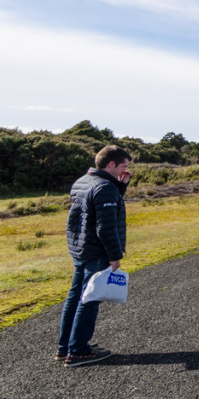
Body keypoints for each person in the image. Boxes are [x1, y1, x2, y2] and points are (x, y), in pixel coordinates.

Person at [56, 144, 132, 367]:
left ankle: (65, 347)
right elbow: (105, 227)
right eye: (123, 166)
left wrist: (120, 186)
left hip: (80, 248)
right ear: (111, 164)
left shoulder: (83, 181)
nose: (125, 171)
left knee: (74, 297)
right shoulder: (105, 188)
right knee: (89, 299)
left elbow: (98, 208)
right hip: (97, 251)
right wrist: (115, 255)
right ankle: (78, 350)